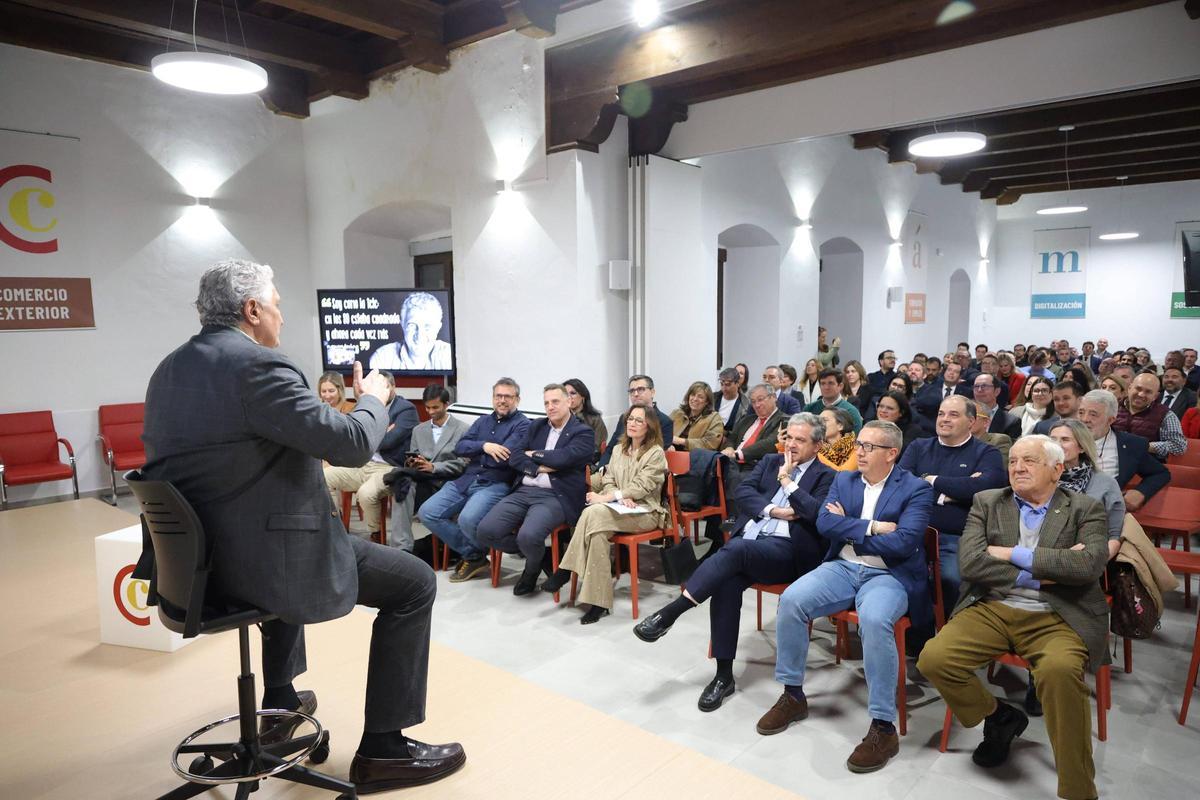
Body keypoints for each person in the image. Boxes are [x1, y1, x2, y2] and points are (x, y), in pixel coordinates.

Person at [140, 260, 464, 790]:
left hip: (198, 566)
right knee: (415, 582)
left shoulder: (169, 370)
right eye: (277, 304)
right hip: (259, 564)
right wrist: (375, 401)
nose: (282, 317)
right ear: (251, 310)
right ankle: (385, 748)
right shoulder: (257, 367)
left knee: (285, 532)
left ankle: (281, 702)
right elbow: (353, 442)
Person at [917, 435, 1109, 800]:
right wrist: (1047, 567)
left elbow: (1087, 565)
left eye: (1029, 461)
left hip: (1058, 613)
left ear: (1057, 469)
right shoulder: (988, 501)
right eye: (1014, 461)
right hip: (994, 607)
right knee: (935, 658)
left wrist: (1009, 554)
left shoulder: (1085, 508)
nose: (1017, 468)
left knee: (1059, 673)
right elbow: (972, 563)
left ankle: (1078, 788)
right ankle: (999, 716)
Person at [756, 421, 933, 774]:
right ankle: (793, 694)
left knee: (874, 620)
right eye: (860, 445)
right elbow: (824, 524)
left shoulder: (915, 489)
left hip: (889, 573)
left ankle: (884, 727)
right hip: (843, 566)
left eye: (868, 446)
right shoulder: (846, 479)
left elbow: (904, 542)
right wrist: (872, 526)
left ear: (891, 453)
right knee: (792, 600)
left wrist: (850, 526)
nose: (859, 452)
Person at [632, 413, 835, 711]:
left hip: (789, 553)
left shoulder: (827, 476)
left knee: (735, 550)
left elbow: (815, 513)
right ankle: (723, 676)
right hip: (754, 541)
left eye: (800, 440)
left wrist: (787, 482)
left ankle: (672, 612)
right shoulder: (769, 461)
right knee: (726, 582)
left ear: (817, 445)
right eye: (788, 437)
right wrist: (774, 511)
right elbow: (743, 492)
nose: (791, 445)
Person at [541, 406, 668, 623]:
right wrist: (616, 496)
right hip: (617, 509)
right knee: (597, 533)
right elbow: (608, 478)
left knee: (594, 510)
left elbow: (643, 486)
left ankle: (564, 570)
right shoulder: (619, 449)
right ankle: (599, 602)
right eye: (630, 419)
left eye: (639, 420)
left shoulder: (655, 453)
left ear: (649, 426)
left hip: (646, 512)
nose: (632, 423)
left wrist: (611, 497)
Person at [475, 384, 595, 596]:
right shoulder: (536, 426)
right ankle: (539, 556)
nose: (550, 407)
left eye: (555, 401)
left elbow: (565, 458)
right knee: (485, 532)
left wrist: (534, 455)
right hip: (524, 491)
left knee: (528, 536)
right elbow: (515, 456)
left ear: (568, 402)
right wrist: (542, 465)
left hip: (555, 496)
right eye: (546, 403)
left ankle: (530, 571)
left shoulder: (583, 431)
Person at [898, 395, 1007, 612]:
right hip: (912, 532)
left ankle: (949, 632)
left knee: (952, 579)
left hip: (956, 537)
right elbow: (900, 486)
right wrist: (950, 494)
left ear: (971, 421)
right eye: (941, 414)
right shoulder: (918, 446)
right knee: (896, 578)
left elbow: (983, 490)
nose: (944, 419)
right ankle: (916, 638)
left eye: (953, 414)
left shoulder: (987, 452)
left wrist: (930, 480)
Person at [419, 378, 530, 582]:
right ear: (493, 398)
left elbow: (504, 458)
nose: (502, 400)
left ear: (517, 399)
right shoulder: (482, 422)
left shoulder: (523, 425)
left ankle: (473, 556)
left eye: (508, 396)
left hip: (495, 483)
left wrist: (476, 449)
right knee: (428, 512)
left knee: (467, 519)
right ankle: (474, 555)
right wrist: (485, 446)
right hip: (467, 479)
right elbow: (460, 448)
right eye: (498, 396)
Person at [323, 371, 420, 542]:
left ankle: (375, 535)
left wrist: (371, 434)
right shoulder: (367, 405)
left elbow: (389, 441)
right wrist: (380, 431)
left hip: (388, 467)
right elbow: (356, 438)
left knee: (366, 493)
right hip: (364, 463)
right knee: (324, 476)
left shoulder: (406, 409)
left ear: (393, 388)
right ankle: (335, 525)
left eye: (385, 387)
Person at [386, 383, 469, 553]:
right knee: (402, 485)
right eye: (428, 407)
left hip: (448, 483)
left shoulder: (462, 429)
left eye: (435, 407)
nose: (431, 412)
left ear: (447, 404)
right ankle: (402, 547)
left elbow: (464, 463)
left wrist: (434, 466)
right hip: (423, 480)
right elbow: (413, 455)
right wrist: (414, 463)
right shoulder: (418, 430)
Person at [1078, 389, 1170, 512]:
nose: (1084, 419)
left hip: (1101, 511)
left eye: (1093, 414)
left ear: (1110, 420)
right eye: (1081, 412)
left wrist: (1141, 492)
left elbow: (1160, 473)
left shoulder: (1132, 445)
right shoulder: (1060, 438)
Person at [1050, 420, 1126, 560]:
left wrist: (1092, 563)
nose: (1057, 445)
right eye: (1052, 439)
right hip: (1043, 553)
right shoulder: (1040, 480)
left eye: (1065, 439)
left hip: (1086, 556)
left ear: (1082, 447)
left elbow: (1114, 536)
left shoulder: (1106, 483)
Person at [597, 374, 674, 468]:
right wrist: (601, 469)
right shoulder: (624, 417)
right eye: (632, 391)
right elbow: (610, 449)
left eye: (641, 389)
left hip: (644, 472)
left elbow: (654, 457)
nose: (636, 394)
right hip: (615, 470)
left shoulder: (665, 422)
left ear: (652, 392)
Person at [368, 292, 453, 371]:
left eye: (427, 327)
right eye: (412, 325)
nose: (420, 335)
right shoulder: (382, 358)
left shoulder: (449, 356)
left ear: (438, 328)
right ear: (402, 325)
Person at [1115, 372, 1187, 459]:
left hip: (1144, 466)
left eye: (1148, 392)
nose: (1141, 394)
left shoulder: (1166, 415)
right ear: (1129, 388)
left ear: (1155, 396)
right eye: (1138, 388)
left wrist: (1145, 446)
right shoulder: (1112, 407)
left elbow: (1179, 446)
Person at [722, 384, 787, 471]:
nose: (757, 405)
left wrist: (738, 454)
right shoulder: (747, 420)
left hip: (755, 466)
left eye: (760, 399)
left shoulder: (784, 420)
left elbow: (770, 443)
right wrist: (729, 448)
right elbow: (732, 438)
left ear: (774, 397)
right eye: (753, 401)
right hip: (732, 463)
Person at [669, 381, 726, 451]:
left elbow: (710, 443)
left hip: (695, 458)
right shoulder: (677, 413)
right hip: (670, 454)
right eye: (693, 395)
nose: (695, 399)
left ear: (707, 402)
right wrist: (668, 445)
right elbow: (661, 433)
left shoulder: (714, 418)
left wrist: (682, 441)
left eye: (700, 397)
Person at [563, 378, 607, 463]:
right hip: (561, 460)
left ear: (583, 396)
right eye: (565, 394)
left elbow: (596, 450)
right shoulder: (560, 418)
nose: (569, 397)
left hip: (584, 463)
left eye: (573, 393)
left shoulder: (595, 419)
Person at [971, 373, 1021, 440]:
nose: (979, 390)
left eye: (984, 386)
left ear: (997, 391)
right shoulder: (964, 415)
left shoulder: (1011, 422)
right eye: (976, 386)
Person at [818, 407, 858, 471]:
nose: (818, 425)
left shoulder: (857, 448)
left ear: (840, 426)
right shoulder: (817, 447)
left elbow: (843, 473)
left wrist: (817, 455)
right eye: (818, 421)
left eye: (824, 420)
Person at [715, 366, 751, 433]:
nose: (724, 388)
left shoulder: (746, 405)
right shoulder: (713, 398)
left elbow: (742, 431)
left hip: (731, 439)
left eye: (728, 384)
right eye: (722, 384)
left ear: (737, 384)